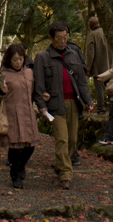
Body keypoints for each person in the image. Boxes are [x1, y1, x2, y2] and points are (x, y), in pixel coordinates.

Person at [34, 21, 94, 190]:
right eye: (59, 38)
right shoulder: (42, 57)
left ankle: (61, 165)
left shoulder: (74, 54)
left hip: (73, 103)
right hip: (54, 104)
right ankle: (66, 174)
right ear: (51, 38)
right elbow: (39, 84)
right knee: (62, 138)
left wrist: (88, 100)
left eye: (65, 37)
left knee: (73, 139)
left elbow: (82, 81)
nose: (62, 41)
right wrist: (41, 104)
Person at [0, 43, 39, 189]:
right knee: (15, 147)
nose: (18, 62)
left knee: (30, 145)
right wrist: (2, 92)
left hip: (28, 112)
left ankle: (20, 167)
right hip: (12, 112)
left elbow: (35, 91)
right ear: (9, 60)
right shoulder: (3, 74)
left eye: (21, 59)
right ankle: (15, 173)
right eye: (15, 60)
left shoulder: (29, 72)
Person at [84, 17, 112, 113]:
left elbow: (90, 52)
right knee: (110, 87)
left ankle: (101, 109)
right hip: (109, 65)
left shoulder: (92, 35)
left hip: (98, 66)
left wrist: (88, 67)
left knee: (99, 88)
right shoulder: (106, 32)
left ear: (90, 26)